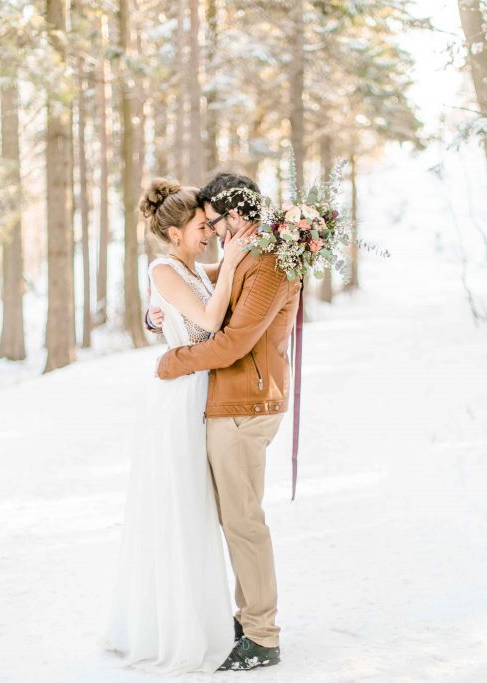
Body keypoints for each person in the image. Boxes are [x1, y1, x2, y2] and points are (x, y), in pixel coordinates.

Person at [154, 172, 302, 672]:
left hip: (246, 404)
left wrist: (174, 360)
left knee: (242, 521)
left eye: (214, 223)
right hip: (233, 401)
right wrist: (163, 306)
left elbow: (233, 343)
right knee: (234, 517)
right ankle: (248, 618)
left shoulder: (269, 266)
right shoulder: (253, 257)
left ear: (234, 216)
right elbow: (204, 284)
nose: (213, 233)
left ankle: (261, 634)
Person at [105, 178, 253, 674]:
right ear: (174, 234)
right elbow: (210, 323)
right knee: (180, 508)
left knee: (197, 510)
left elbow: (203, 293)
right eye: (202, 226)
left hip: (200, 392)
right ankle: (173, 626)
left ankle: (204, 618)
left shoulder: (189, 268)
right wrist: (231, 262)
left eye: (211, 224)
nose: (210, 232)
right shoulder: (164, 269)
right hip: (178, 400)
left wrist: (236, 256)